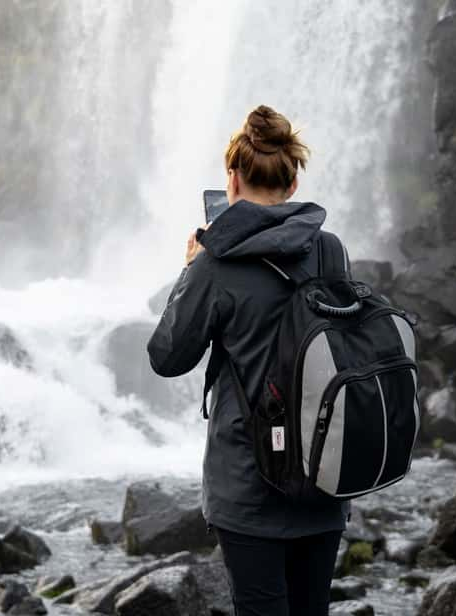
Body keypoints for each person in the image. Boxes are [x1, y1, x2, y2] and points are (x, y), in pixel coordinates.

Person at [147, 105, 350, 616]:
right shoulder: (329, 251)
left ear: (232, 179)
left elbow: (167, 356)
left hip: (248, 484)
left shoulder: (215, 264)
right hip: (324, 475)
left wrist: (189, 272)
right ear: (292, 178)